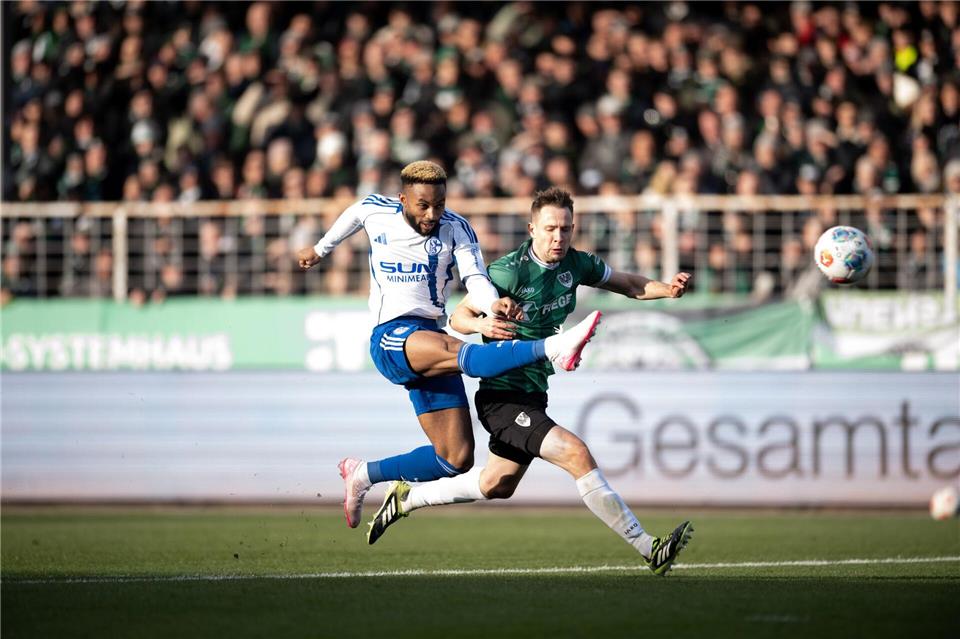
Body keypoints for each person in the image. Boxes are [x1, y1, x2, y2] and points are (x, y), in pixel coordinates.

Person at [365, 186, 694, 576]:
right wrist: (484, 322)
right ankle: (648, 547)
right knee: (576, 453)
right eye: (551, 229)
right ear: (532, 228)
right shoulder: (508, 271)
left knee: (496, 484)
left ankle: (405, 499)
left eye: (566, 229)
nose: (559, 238)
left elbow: (627, 284)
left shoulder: (577, 264)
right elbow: (458, 318)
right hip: (502, 396)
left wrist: (667, 290)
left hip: (533, 392)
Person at [296, 162, 602, 528]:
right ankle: (555, 347)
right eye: (423, 205)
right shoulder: (376, 210)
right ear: (403, 199)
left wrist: (493, 304)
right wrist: (320, 248)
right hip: (393, 336)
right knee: (466, 354)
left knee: (455, 458)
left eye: (439, 204)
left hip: (429, 335)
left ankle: (362, 474)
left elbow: (474, 276)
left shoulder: (457, 228)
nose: (432, 214)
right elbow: (353, 215)